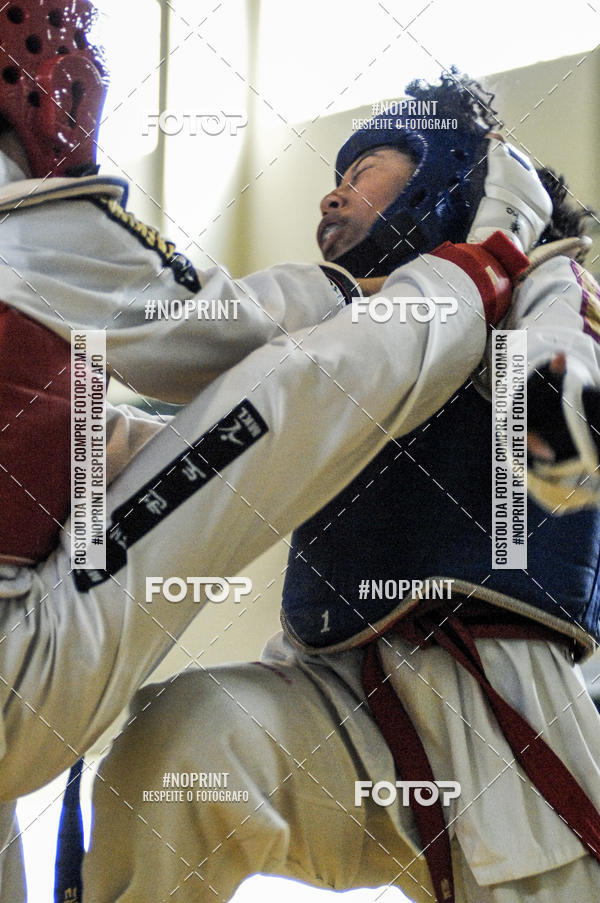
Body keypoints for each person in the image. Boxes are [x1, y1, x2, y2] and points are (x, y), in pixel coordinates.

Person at [0, 5, 551, 900]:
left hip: (505, 720)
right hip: (322, 703)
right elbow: (237, 352)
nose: (331, 196)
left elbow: (100, 447)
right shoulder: (34, 220)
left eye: (361, 172)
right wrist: (450, 271)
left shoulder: (552, 308)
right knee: (183, 746)